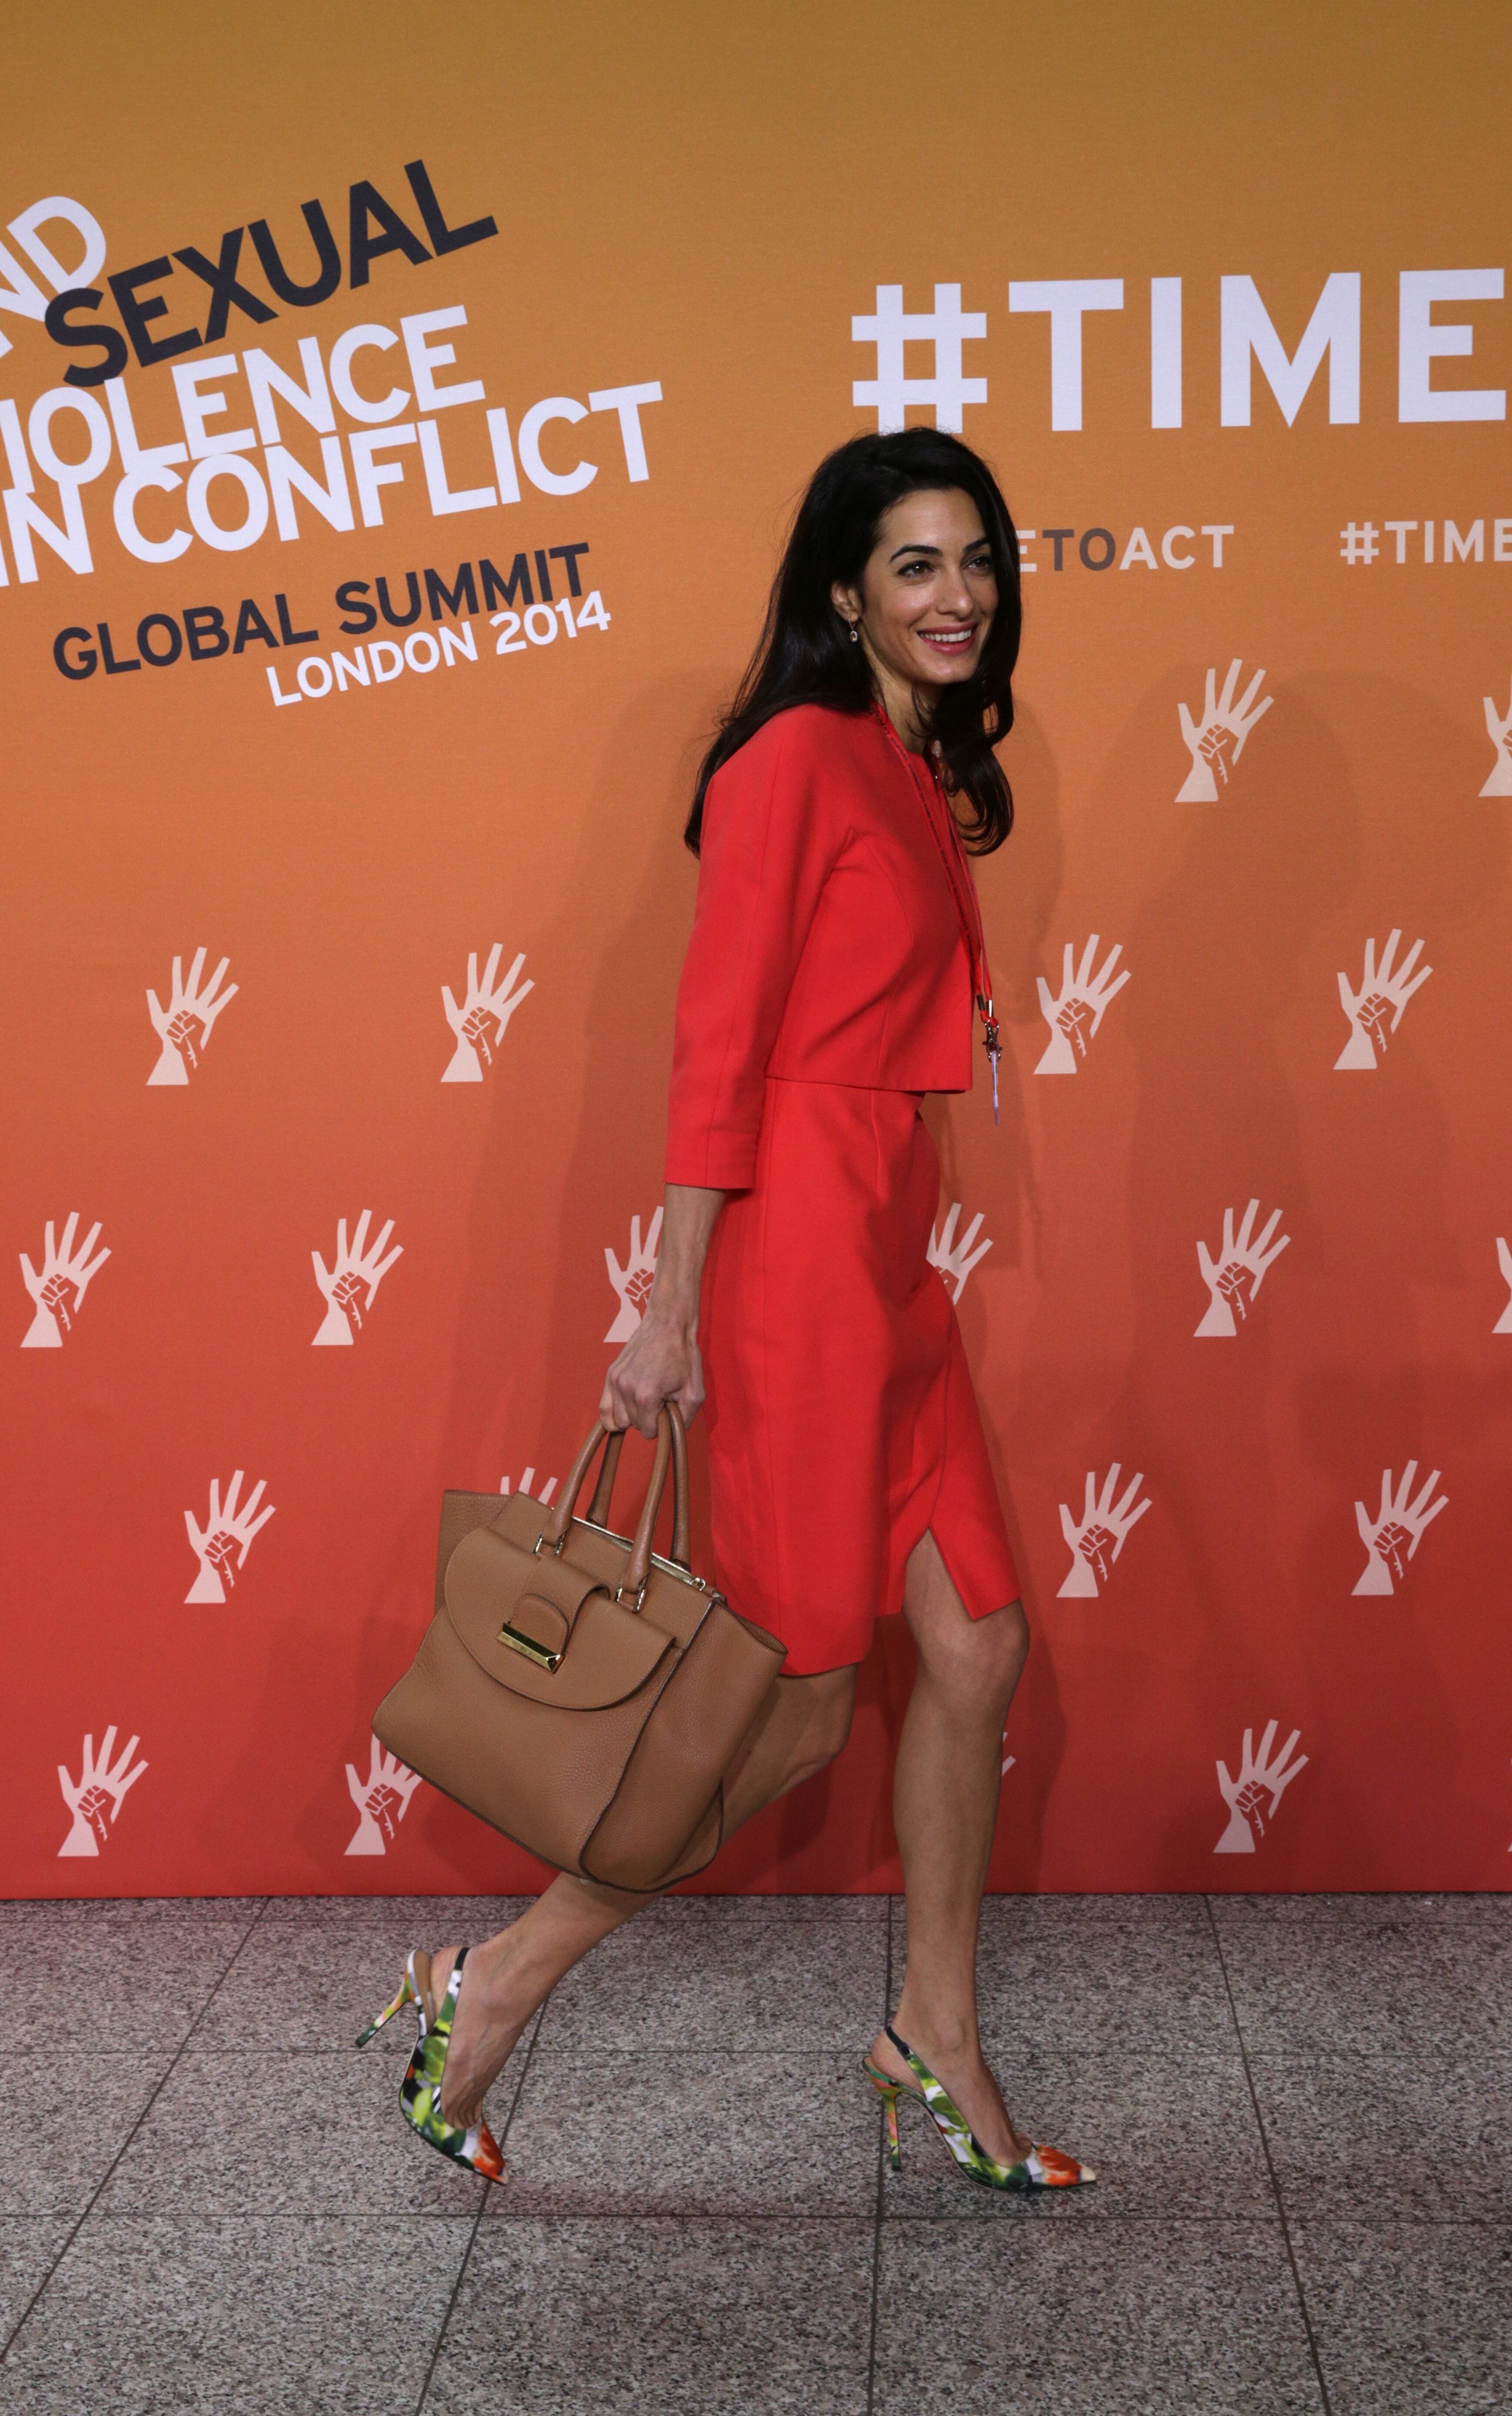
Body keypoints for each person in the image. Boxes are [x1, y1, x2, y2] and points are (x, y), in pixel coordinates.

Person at [360, 428, 1093, 2194]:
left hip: (892, 1267)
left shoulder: (918, 769)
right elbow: (720, 1043)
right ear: (844, 593)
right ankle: (489, 1987)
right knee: (779, 1705)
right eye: (915, 566)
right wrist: (668, 1303)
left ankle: (931, 2033)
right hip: (792, 1276)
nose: (957, 595)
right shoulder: (791, 760)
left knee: (980, 1645)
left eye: (976, 560)